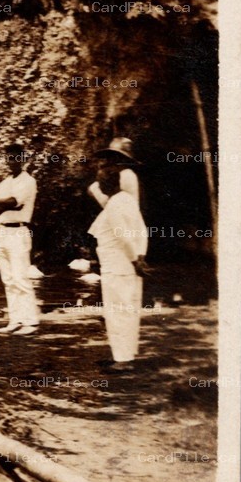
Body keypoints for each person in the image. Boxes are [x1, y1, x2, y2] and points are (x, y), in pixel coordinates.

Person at [90, 151, 149, 373]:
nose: (99, 186)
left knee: (117, 312)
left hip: (118, 266)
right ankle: (125, 355)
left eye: (102, 182)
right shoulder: (127, 200)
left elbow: (123, 235)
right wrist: (140, 256)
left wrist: (135, 260)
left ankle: (123, 360)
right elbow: (142, 230)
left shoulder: (116, 204)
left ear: (110, 185)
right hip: (127, 265)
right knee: (128, 310)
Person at [0, 142, 40, 336]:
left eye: (16, 157)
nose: (12, 161)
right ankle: (15, 319)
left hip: (18, 231)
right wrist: (4, 204)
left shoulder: (28, 181)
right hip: (2, 231)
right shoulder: (4, 183)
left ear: (23, 159)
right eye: (9, 157)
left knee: (20, 277)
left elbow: (15, 203)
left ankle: (31, 321)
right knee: (8, 279)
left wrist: (3, 203)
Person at [89, 137, 141, 208]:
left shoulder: (127, 174)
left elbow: (116, 208)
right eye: (111, 157)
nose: (110, 161)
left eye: (115, 157)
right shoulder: (118, 176)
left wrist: (95, 190)